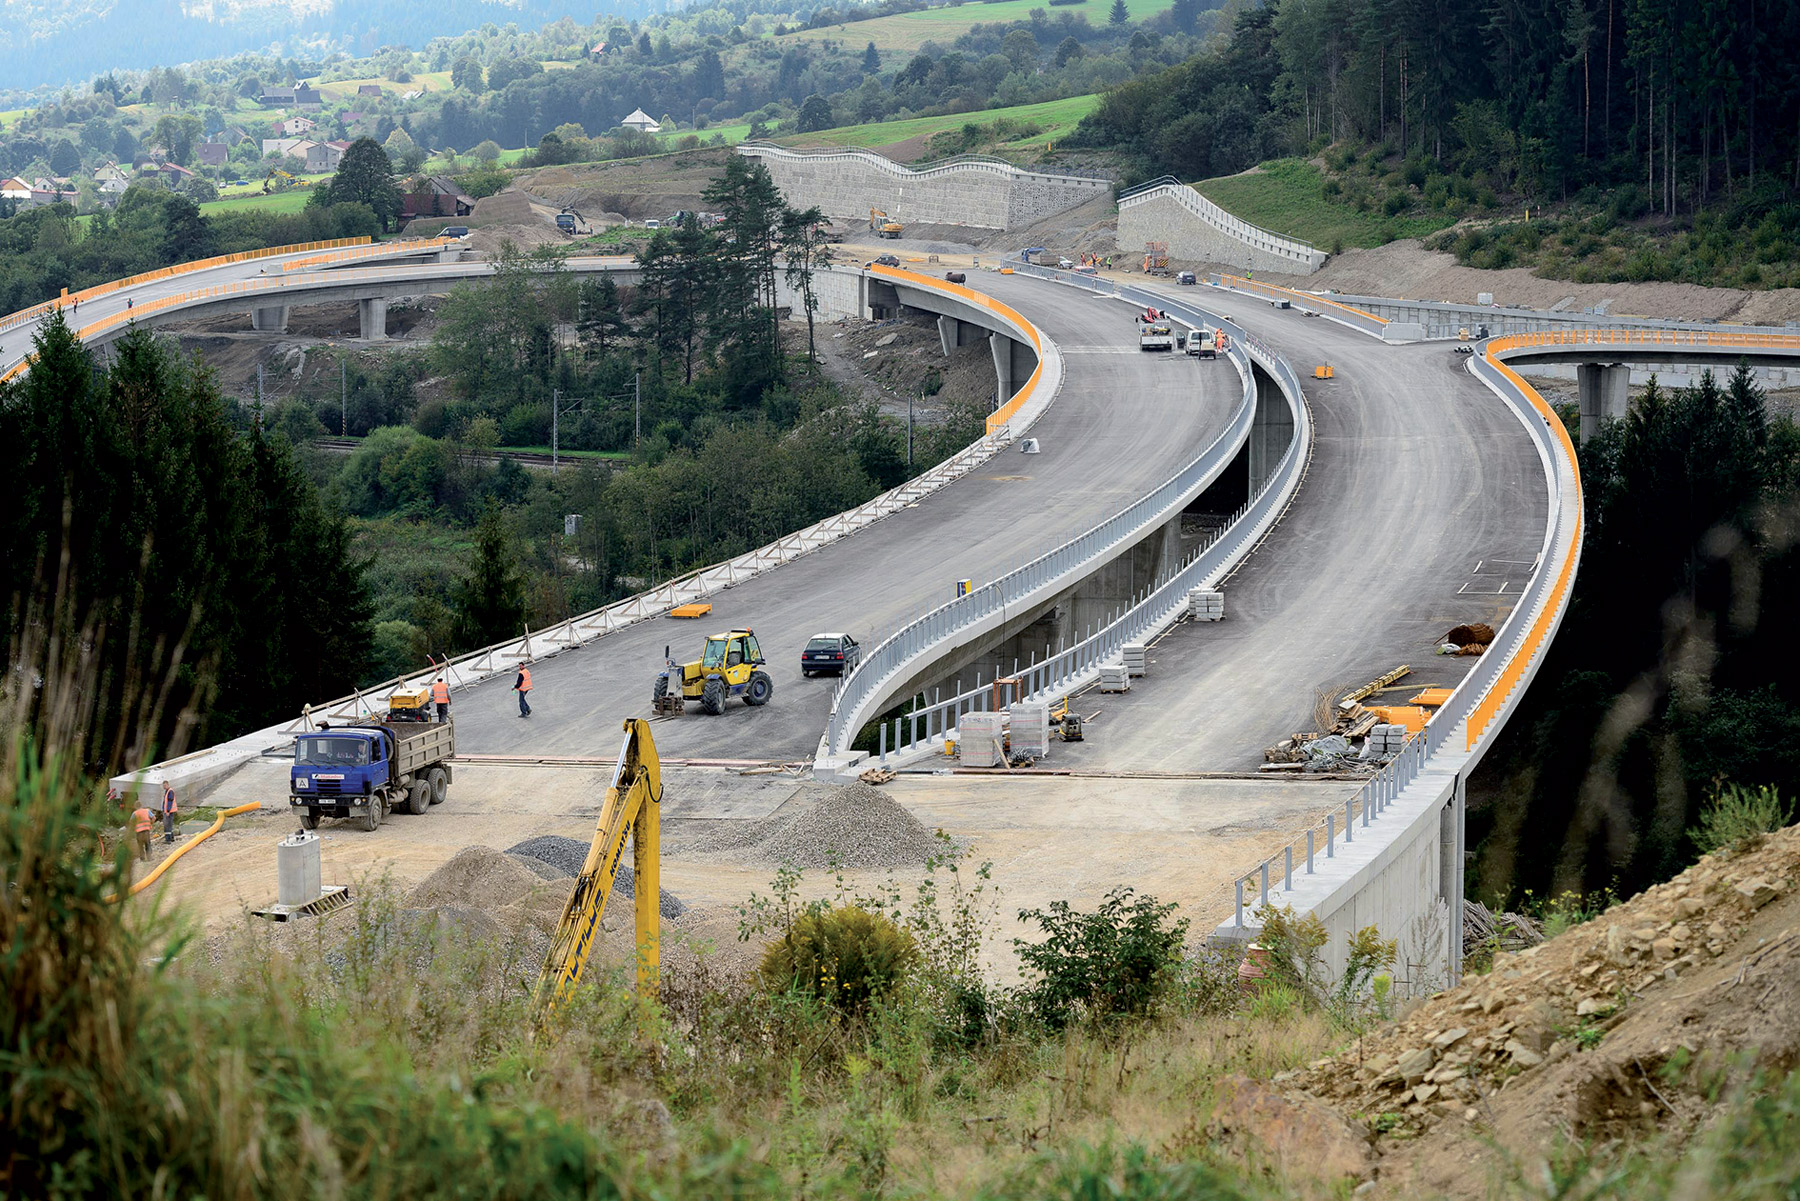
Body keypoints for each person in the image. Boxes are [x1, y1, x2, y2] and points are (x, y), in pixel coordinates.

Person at [160, 779, 178, 844]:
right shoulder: (167, 791)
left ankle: (168, 839)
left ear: (167, 785)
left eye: (165, 785)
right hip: (168, 811)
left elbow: (169, 802)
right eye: (163, 786)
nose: (164, 787)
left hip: (169, 812)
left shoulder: (170, 791)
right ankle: (172, 837)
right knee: (169, 825)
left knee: (167, 825)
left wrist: (167, 811)